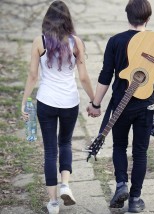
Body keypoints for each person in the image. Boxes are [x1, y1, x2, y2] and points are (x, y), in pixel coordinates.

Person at [87, 0, 154, 212]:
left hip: (121, 106)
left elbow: (105, 75)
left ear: (127, 17)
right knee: (140, 152)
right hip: (146, 107)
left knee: (119, 146)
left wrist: (96, 103)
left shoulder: (115, 41)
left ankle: (121, 184)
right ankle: (134, 200)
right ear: (148, 18)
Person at [21, 1, 95, 213]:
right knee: (65, 143)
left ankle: (53, 203)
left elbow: (33, 75)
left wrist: (25, 101)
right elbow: (83, 77)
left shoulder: (39, 41)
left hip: (46, 102)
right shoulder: (76, 42)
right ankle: (65, 184)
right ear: (68, 20)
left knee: (50, 150)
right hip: (70, 102)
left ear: (47, 20)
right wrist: (94, 100)